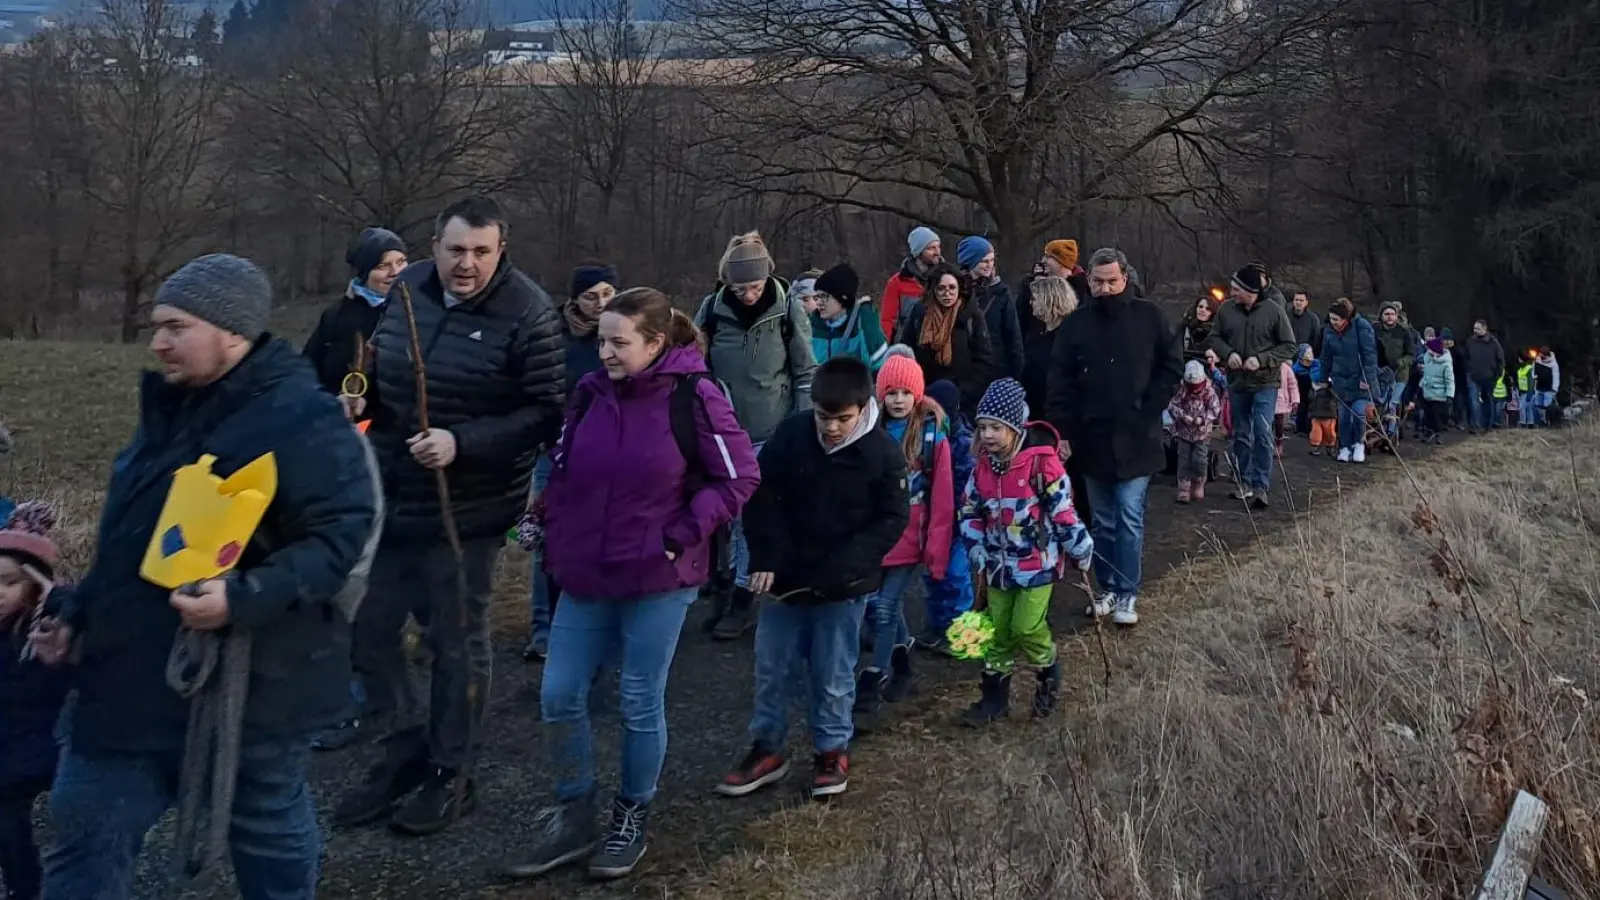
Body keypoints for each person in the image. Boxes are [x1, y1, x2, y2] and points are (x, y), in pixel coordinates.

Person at [33, 254, 382, 899]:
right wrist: (78, 614)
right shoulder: (174, 410)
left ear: (233, 331)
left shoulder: (301, 420)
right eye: (157, 326)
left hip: (251, 689)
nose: (158, 342)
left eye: (176, 326)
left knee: (267, 836)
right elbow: (134, 541)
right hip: (130, 679)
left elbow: (339, 540)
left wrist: (245, 599)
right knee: (83, 831)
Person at [506, 289, 759, 882]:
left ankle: (631, 815)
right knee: (558, 693)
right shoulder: (590, 394)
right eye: (601, 340)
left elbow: (740, 475)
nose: (607, 352)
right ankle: (575, 810)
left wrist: (681, 533)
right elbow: (566, 469)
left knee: (638, 700)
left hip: (658, 575)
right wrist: (542, 517)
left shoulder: (695, 396)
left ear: (655, 344)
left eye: (620, 342)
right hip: (586, 572)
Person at [337, 196, 566, 835]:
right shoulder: (408, 289)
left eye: (481, 251)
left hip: (468, 507)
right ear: (433, 246)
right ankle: (406, 750)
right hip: (391, 491)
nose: (466, 264)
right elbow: (381, 363)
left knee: (454, 642)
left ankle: (452, 771)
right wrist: (359, 398)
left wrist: (462, 443)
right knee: (368, 626)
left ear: (500, 250)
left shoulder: (528, 313)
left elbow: (547, 412)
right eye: (455, 249)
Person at [715, 358, 908, 801]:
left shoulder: (882, 453)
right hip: (786, 579)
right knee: (771, 667)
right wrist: (767, 556)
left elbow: (891, 520)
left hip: (843, 586)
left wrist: (846, 567)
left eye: (843, 419)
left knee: (832, 672)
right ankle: (768, 748)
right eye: (824, 417)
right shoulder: (792, 435)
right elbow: (762, 496)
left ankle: (830, 749)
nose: (833, 428)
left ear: (863, 408)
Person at [1046, 247, 1183, 626]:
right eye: (1098, 281)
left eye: (1112, 281)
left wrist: (1150, 406)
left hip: (1137, 435)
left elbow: (1172, 364)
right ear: (1088, 280)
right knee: (1102, 520)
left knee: (1128, 514)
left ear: (1125, 278)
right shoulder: (1076, 325)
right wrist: (1063, 431)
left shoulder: (1150, 316)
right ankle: (1106, 587)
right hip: (1092, 437)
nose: (1105, 288)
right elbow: (1061, 381)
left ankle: (1127, 592)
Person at [696, 232, 818, 640]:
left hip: (772, 429)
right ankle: (721, 582)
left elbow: (805, 370)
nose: (748, 295)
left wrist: (802, 427)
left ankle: (744, 599)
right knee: (721, 515)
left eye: (755, 286)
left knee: (753, 514)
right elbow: (694, 365)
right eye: (739, 288)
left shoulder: (787, 312)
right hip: (722, 433)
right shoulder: (712, 311)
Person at [960, 378, 1093, 725]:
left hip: (1037, 564)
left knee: (1026, 626)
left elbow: (1063, 511)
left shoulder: (1042, 465)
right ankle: (994, 698)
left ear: (1015, 427)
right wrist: (975, 547)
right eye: (983, 427)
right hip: (996, 565)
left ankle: (1048, 673)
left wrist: (1078, 545)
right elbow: (971, 509)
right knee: (998, 630)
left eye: (995, 428)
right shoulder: (983, 468)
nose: (987, 435)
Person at [525, 263, 619, 663]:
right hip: (557, 451)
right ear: (575, 300)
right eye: (591, 296)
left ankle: (602, 625)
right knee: (547, 539)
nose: (600, 304)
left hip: (611, 451)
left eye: (607, 294)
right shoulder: (553, 338)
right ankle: (544, 627)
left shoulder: (620, 334)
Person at [856, 355, 953, 732]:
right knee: (883, 607)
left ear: (918, 393)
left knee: (883, 606)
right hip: (878, 535)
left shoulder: (931, 437)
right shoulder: (869, 432)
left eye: (904, 392)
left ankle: (873, 678)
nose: (897, 400)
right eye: (890, 392)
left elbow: (942, 498)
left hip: (911, 538)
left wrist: (936, 548)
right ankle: (904, 664)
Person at [0, 501, 67, 900]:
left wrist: (55, 600)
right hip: (8, 755)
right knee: (9, 830)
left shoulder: (47, 628)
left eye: (9, 583)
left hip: (52, 744)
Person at [1206, 265, 1296, 509]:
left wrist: (1262, 359)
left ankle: (1260, 486)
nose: (1232, 292)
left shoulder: (1274, 311)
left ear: (1251, 290)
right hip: (1237, 382)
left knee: (1262, 430)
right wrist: (1228, 353)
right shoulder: (1226, 310)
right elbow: (1214, 337)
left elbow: (1289, 346)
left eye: (1236, 289)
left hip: (1265, 381)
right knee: (1240, 434)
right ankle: (1243, 482)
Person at [302, 226, 409, 395]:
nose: (395, 273)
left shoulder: (422, 310)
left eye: (401, 262)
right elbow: (307, 371)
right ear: (365, 273)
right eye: (383, 266)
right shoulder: (337, 317)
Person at [918, 379, 975, 653]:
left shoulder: (963, 442)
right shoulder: (922, 437)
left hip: (958, 523)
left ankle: (966, 637)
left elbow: (967, 484)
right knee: (932, 575)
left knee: (957, 577)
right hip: (932, 522)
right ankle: (938, 626)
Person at [895, 261, 996, 413]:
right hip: (923, 396)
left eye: (952, 288)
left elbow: (984, 359)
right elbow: (907, 351)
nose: (947, 293)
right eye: (941, 288)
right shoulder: (920, 313)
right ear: (933, 290)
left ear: (959, 288)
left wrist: (965, 395)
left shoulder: (971, 315)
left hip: (962, 402)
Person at [957, 236, 1024, 381]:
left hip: (995, 371)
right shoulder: (954, 291)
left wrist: (1015, 375)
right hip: (963, 370)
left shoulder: (1001, 293)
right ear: (970, 261)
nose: (989, 265)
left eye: (992, 260)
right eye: (984, 261)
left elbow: (1013, 337)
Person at [1320, 298, 1379, 463]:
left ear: (1346, 319)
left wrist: (1366, 378)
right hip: (1340, 379)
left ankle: (1359, 444)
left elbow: (1370, 356)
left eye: (1336, 320)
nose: (1333, 323)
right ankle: (1345, 447)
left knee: (1359, 413)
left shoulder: (1362, 327)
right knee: (1344, 416)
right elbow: (1326, 356)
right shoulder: (1329, 331)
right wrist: (1323, 378)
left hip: (1360, 379)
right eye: (1331, 319)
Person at [809, 263, 889, 371]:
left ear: (842, 298)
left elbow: (881, 367)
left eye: (824, 296)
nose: (818, 302)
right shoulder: (812, 326)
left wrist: (869, 322)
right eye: (817, 297)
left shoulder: (862, 326)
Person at [1018, 275, 1078, 416]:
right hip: (1034, 408)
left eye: (1034, 299)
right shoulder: (1037, 334)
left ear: (1049, 300)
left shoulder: (1070, 337)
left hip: (1058, 411)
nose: (1031, 303)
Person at [1166, 360, 1222, 503]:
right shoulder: (1181, 391)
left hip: (1201, 433)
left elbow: (1215, 409)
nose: (1195, 390)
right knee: (1183, 460)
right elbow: (1172, 406)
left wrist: (1202, 419)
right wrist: (1182, 416)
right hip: (1183, 432)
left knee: (1200, 460)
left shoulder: (1208, 392)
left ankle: (1198, 483)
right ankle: (1184, 488)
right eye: (1192, 387)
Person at [880, 226, 941, 337]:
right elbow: (887, 321)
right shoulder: (897, 282)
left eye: (938, 247)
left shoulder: (946, 278)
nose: (937, 252)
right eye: (931, 248)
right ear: (918, 252)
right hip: (908, 345)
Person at [1464, 319, 1506, 433]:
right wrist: (1468, 370)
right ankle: (1476, 426)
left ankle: (1487, 426)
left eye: (1477, 328)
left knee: (1488, 400)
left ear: (1484, 329)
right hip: (1473, 376)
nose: (1475, 330)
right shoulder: (1470, 341)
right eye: (1474, 328)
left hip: (1489, 377)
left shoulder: (1494, 343)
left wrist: (1496, 376)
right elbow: (1466, 357)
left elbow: (1501, 360)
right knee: (1473, 401)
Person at [1419, 337, 1455, 443]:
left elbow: (1449, 380)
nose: (1427, 351)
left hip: (1440, 394)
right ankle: (1429, 432)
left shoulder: (1446, 364)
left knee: (1437, 416)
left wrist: (1449, 395)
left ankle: (1439, 433)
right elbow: (1426, 374)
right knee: (1428, 415)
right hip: (1427, 392)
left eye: (1429, 349)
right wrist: (1421, 385)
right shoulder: (1427, 358)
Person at [1274, 357, 1301, 457]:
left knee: (1279, 424)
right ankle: (1267, 445)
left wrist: (1295, 400)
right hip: (1267, 400)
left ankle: (1278, 444)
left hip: (1280, 401)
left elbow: (1292, 385)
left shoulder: (1285, 368)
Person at [1287, 290, 1322, 359]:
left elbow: (1316, 340)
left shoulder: (1313, 319)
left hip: (1305, 358)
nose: (1298, 302)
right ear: (1293, 301)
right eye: (1296, 300)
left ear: (1306, 302)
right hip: (1287, 357)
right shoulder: (1285, 315)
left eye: (1301, 300)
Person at [1291, 342, 1317, 435]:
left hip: (1314, 391)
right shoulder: (1296, 369)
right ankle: (1301, 429)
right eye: (1308, 353)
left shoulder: (1316, 364)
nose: (1310, 355)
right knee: (1302, 409)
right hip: (1302, 392)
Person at [1531, 347, 1561, 427]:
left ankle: (1549, 423)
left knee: (1547, 407)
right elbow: (1533, 371)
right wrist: (1534, 376)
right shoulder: (1537, 361)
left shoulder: (1553, 364)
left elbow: (1556, 376)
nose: (1540, 356)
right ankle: (1540, 422)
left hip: (1549, 389)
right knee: (1536, 405)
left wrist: (1555, 389)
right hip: (1539, 387)